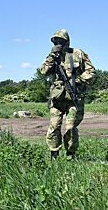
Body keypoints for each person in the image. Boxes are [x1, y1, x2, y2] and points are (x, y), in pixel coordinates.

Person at [39, 29, 95, 159]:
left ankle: (71, 154)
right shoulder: (52, 56)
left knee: (70, 128)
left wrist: (79, 80)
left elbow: (91, 71)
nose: (58, 43)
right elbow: (43, 71)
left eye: (61, 41)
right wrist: (52, 56)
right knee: (54, 126)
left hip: (73, 96)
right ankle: (54, 154)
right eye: (56, 41)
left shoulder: (77, 54)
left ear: (67, 41)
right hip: (57, 98)